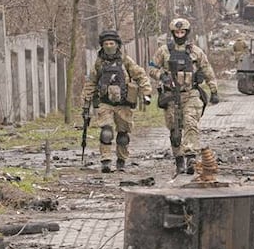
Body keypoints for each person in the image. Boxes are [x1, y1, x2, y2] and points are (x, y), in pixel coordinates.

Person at [149, 17, 221, 179]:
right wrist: (162, 76)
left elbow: (207, 69)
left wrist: (214, 90)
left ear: (187, 33)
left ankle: (191, 158)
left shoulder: (195, 51)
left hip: (191, 94)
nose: (179, 35)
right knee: (175, 129)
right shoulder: (163, 51)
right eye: (177, 32)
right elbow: (152, 68)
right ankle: (179, 159)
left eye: (182, 32)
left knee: (190, 123)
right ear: (173, 33)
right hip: (171, 95)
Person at [81, 29, 153, 173]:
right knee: (106, 132)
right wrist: (86, 103)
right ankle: (106, 160)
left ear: (117, 44)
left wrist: (146, 93)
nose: (109, 46)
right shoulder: (99, 63)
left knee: (123, 135)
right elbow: (91, 83)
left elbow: (141, 75)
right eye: (106, 43)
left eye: (111, 43)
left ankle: (121, 160)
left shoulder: (125, 61)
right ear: (102, 45)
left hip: (124, 104)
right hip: (105, 103)